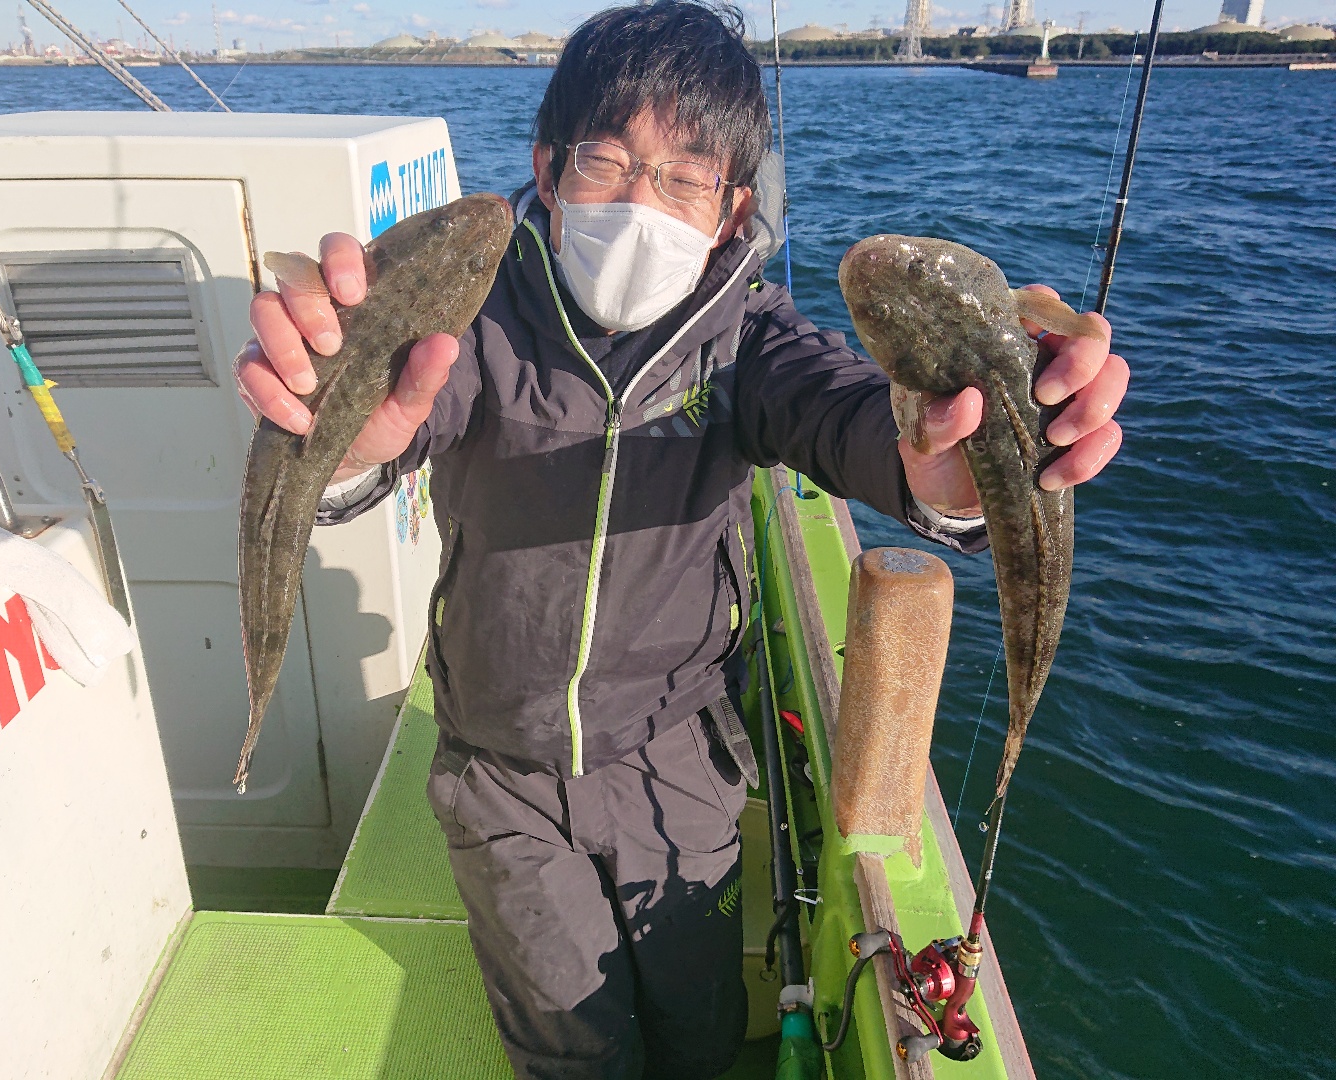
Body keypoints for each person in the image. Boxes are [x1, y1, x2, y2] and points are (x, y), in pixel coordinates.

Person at [236, 3, 1128, 1076]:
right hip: (504, 772)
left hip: (680, 767)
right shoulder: (471, 324)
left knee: (704, 1032)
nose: (640, 201)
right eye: (608, 160)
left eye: (685, 175)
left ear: (730, 207)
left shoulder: (752, 342)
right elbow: (396, 421)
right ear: (549, 168)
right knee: (578, 1049)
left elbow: (848, 415)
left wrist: (951, 469)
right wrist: (340, 440)